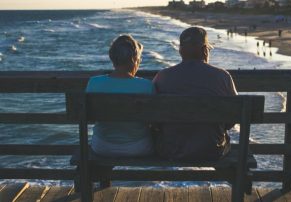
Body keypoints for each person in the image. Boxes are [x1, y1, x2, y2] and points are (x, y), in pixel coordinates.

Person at [153, 27, 237, 160]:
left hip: (171, 150)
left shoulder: (162, 77)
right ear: (204, 50)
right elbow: (233, 117)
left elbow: (154, 118)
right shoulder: (222, 77)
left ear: (181, 51)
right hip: (213, 150)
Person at [86, 35, 154, 157]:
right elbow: (153, 121)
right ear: (134, 59)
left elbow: (90, 118)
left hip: (102, 147)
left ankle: (103, 176)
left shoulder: (94, 82)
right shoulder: (146, 86)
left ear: (112, 58)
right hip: (138, 147)